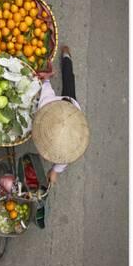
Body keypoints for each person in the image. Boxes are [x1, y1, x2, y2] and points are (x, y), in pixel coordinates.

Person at [35, 45, 90, 185]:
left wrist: (54, 171)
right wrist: (45, 79)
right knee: (68, 79)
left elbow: (64, 159)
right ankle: (66, 55)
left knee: (70, 82)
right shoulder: (46, 104)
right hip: (66, 104)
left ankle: (67, 56)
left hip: (72, 106)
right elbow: (46, 87)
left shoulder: (71, 141)